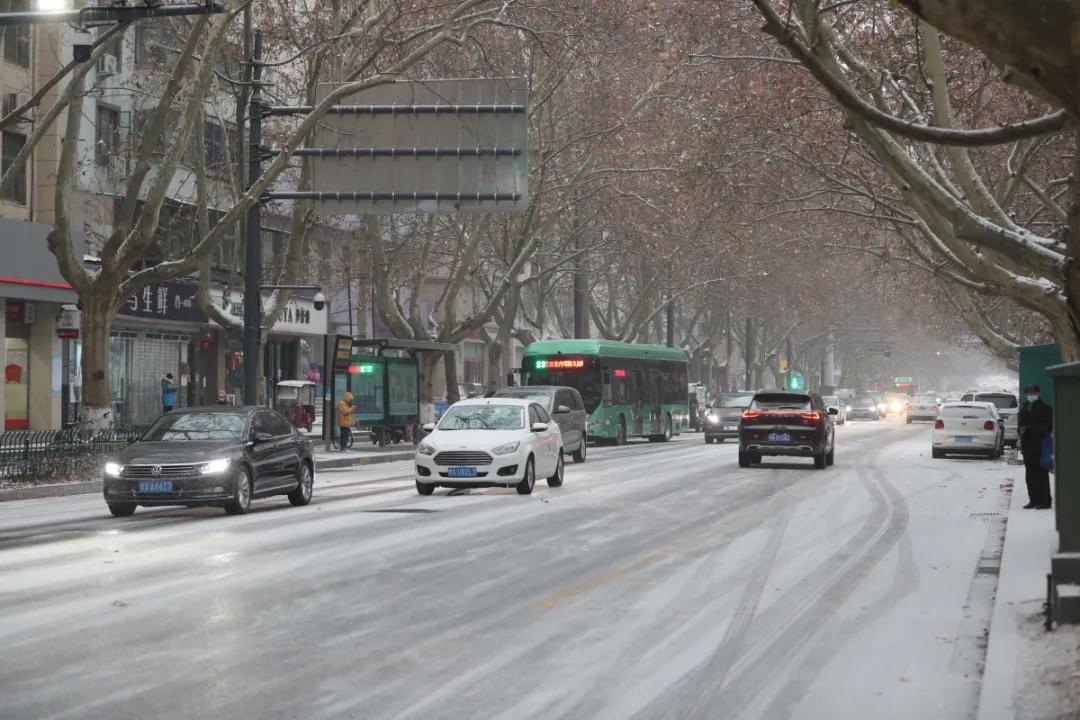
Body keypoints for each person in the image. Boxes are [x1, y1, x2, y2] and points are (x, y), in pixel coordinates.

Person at [1017, 384, 1053, 509]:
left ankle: (1045, 501)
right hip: (1027, 446)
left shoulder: (1046, 409)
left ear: (1038, 393)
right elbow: (1020, 426)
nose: (1031, 395)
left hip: (1040, 445)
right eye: (1029, 393)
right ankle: (1033, 500)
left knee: (1041, 474)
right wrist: (1021, 431)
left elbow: (1047, 427)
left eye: (1033, 392)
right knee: (1030, 474)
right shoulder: (1023, 409)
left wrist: (1030, 429)